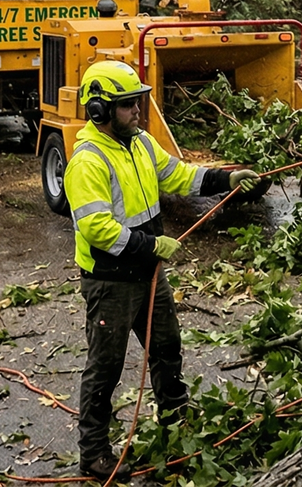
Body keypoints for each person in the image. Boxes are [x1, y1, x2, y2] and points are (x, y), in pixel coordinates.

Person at [66, 60, 259, 479]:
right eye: (127, 105)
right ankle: (95, 452)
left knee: (167, 348)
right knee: (106, 366)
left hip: (150, 273)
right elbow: (97, 229)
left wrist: (226, 179)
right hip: (111, 282)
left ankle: (175, 421)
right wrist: (152, 244)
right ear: (98, 110)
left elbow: (178, 175)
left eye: (138, 103)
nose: (137, 111)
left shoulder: (140, 143)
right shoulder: (87, 162)